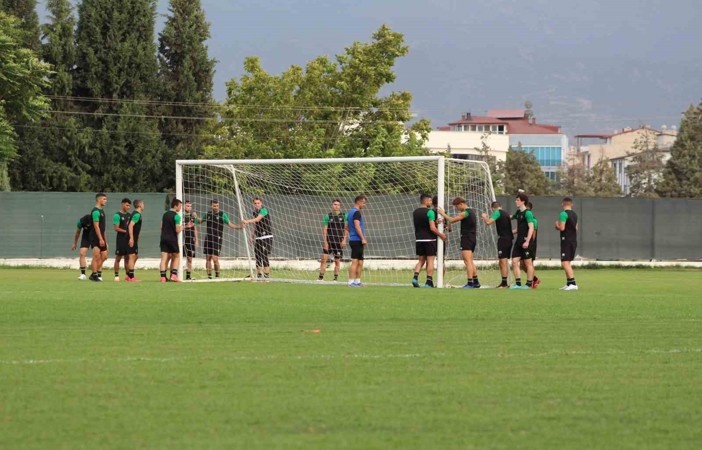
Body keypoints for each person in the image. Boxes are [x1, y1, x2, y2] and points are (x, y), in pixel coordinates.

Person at [438, 197, 480, 289]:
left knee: (467, 261)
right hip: (472, 238)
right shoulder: (471, 212)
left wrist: (442, 214)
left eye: (457, 206)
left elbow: (452, 220)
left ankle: (470, 283)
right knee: (470, 261)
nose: (457, 209)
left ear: (461, 204)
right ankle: (476, 282)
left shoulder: (466, 212)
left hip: (467, 238)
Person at [197, 199, 243, 279]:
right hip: (208, 238)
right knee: (208, 258)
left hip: (217, 239)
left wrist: (239, 227)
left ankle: (217, 276)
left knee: (215, 258)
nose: (216, 207)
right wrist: (195, 217)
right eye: (214, 206)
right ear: (211, 206)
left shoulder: (222, 215)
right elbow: (200, 221)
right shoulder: (208, 214)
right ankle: (209, 277)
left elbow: (230, 224)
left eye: (217, 206)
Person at [412, 194, 447, 288]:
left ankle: (415, 278)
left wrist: (435, 222)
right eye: (430, 201)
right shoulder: (430, 212)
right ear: (426, 201)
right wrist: (441, 235)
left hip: (419, 239)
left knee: (420, 261)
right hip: (429, 239)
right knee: (430, 260)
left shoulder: (415, 212)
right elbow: (432, 228)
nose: (431, 203)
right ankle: (429, 281)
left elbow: (424, 224)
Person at [481, 201, 512, 288]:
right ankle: (504, 282)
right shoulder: (506, 213)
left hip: (503, 239)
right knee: (502, 261)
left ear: (493, 208)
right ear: (500, 206)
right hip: (508, 239)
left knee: (502, 261)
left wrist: (485, 217)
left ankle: (504, 284)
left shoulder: (497, 212)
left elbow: (488, 222)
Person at [509, 193, 536, 289]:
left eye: (518, 200)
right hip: (518, 241)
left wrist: (527, 241)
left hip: (526, 241)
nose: (516, 201)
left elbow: (531, 228)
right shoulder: (518, 213)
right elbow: (510, 217)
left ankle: (529, 284)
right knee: (514, 261)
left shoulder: (528, 213)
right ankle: (518, 284)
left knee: (528, 263)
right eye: (516, 200)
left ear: (523, 201)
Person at [242, 197, 272, 280]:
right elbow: (256, 224)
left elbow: (258, 219)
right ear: (253, 204)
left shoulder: (264, 210)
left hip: (266, 236)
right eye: (255, 203)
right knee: (258, 256)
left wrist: (247, 221)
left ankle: (266, 277)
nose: (257, 204)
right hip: (258, 237)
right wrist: (252, 237)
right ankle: (259, 276)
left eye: (258, 203)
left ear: (261, 203)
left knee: (264, 255)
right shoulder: (255, 212)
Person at [318, 199, 347, 282]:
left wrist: (344, 239)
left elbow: (346, 229)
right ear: (332, 205)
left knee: (337, 261)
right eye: (335, 204)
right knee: (324, 259)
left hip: (338, 242)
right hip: (329, 241)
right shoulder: (328, 216)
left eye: (338, 204)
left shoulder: (344, 216)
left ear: (340, 206)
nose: (336, 206)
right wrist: (325, 242)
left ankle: (335, 279)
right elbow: (325, 229)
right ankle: (320, 278)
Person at [555, 197, 579, 290]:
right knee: (567, 262)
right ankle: (569, 283)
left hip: (566, 240)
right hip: (573, 240)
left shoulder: (563, 214)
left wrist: (557, 225)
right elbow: (576, 228)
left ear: (562, 204)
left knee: (565, 262)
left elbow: (562, 228)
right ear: (571, 204)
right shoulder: (575, 214)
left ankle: (573, 283)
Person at [346, 195, 367, 287]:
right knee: (355, 261)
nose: (364, 204)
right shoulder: (356, 213)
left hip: (354, 239)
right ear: (358, 202)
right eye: (363, 202)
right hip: (357, 240)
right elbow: (357, 226)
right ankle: (350, 282)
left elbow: (346, 227)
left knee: (360, 261)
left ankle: (357, 282)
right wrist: (362, 238)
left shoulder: (350, 212)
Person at [160, 198, 183, 282]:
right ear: (175, 206)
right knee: (177, 256)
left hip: (163, 238)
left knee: (164, 258)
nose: (180, 208)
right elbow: (177, 230)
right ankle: (174, 275)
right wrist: (183, 227)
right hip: (172, 239)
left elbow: (161, 227)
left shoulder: (164, 214)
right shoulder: (177, 216)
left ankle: (163, 277)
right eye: (180, 206)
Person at [88, 193, 108, 282]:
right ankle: (94, 275)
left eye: (106, 199)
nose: (105, 201)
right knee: (96, 256)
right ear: (98, 200)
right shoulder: (95, 211)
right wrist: (100, 238)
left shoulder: (102, 211)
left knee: (104, 256)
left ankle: (93, 272)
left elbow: (103, 228)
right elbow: (96, 227)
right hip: (95, 237)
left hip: (101, 237)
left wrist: (105, 240)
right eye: (104, 199)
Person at [112, 198, 132, 281]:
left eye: (129, 206)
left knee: (127, 258)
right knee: (118, 258)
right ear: (122, 204)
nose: (128, 207)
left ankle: (127, 276)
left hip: (128, 240)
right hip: (121, 239)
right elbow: (116, 228)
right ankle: (116, 276)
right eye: (127, 205)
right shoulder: (117, 215)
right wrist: (126, 231)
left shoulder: (129, 215)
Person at [126, 199, 144, 282]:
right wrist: (131, 238)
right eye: (143, 203)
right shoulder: (136, 215)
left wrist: (137, 235)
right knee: (132, 256)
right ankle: (131, 277)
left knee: (135, 256)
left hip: (133, 238)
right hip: (131, 238)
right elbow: (130, 226)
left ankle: (129, 275)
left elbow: (128, 224)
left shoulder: (134, 214)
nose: (144, 205)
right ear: (140, 205)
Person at [72, 213, 92, 280]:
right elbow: (77, 232)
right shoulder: (80, 222)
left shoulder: (96, 220)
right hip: (86, 236)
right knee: (82, 253)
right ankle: (83, 274)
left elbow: (102, 231)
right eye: (87, 224)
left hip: (95, 236)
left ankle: (97, 274)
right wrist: (75, 243)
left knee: (97, 255)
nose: (88, 225)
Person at [182, 201, 199, 281]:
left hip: (190, 239)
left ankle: (188, 276)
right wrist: (186, 226)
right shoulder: (180, 215)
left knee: (189, 258)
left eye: (190, 206)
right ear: (183, 206)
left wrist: (196, 240)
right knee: (177, 257)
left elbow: (195, 228)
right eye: (187, 206)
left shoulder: (193, 216)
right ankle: (174, 274)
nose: (189, 207)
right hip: (181, 239)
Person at [525, 201, 540, 289]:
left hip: (530, 245)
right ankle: (535, 279)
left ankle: (531, 281)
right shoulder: (523, 218)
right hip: (524, 244)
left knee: (529, 263)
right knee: (523, 264)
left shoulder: (533, 219)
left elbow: (533, 234)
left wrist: (530, 243)